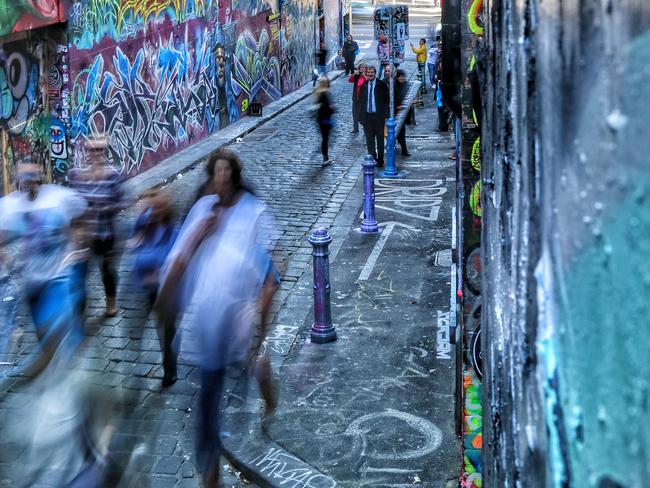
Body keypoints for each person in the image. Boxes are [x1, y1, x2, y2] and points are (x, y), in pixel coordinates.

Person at [155, 149, 279, 487]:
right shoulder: (200, 211)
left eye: (227, 173)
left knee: (249, 372)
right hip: (208, 327)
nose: (220, 180)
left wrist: (259, 324)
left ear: (235, 177)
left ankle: (266, 388)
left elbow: (269, 275)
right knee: (208, 396)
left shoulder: (251, 214)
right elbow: (178, 261)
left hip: (240, 324)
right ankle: (210, 472)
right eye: (216, 173)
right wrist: (200, 235)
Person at [0, 162, 88, 376]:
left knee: (56, 332)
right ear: (17, 181)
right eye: (23, 178)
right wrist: (7, 258)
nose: (28, 182)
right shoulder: (11, 205)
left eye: (32, 177)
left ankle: (62, 371)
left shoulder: (59, 198)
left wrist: (76, 245)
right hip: (32, 282)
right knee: (43, 333)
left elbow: (81, 217)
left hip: (58, 278)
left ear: (40, 177)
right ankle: (54, 363)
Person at [69, 135, 124, 317]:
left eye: (100, 149)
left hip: (105, 234)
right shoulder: (77, 176)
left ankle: (111, 303)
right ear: (86, 152)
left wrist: (104, 207)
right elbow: (72, 204)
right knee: (79, 276)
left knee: (107, 272)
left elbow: (121, 203)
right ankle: (80, 312)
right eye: (92, 149)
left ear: (105, 152)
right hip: (84, 237)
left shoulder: (113, 176)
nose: (96, 153)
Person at [358, 65, 389, 167]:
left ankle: (380, 160)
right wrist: (361, 118)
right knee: (369, 140)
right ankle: (372, 158)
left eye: (372, 72)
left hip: (378, 117)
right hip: (367, 117)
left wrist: (385, 114)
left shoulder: (382, 85)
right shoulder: (364, 86)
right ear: (366, 74)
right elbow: (361, 102)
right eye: (368, 72)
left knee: (380, 139)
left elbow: (386, 100)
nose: (370, 74)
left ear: (375, 73)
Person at [313, 76, 335, 166]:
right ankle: (325, 159)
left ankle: (324, 156)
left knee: (324, 139)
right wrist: (332, 109)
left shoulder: (318, 93)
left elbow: (318, 106)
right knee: (325, 139)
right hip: (325, 120)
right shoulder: (325, 94)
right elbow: (327, 108)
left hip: (320, 120)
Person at [394, 69, 411, 157]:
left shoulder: (406, 84)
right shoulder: (394, 86)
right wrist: (397, 106)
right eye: (400, 78)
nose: (402, 79)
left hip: (403, 113)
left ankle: (404, 149)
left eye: (403, 78)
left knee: (401, 131)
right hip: (395, 112)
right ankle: (400, 147)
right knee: (396, 131)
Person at [348, 63, 366, 134]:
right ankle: (355, 128)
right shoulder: (357, 76)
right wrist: (354, 74)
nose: (362, 69)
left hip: (363, 99)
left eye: (364, 67)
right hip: (355, 98)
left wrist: (364, 75)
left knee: (361, 115)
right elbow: (350, 80)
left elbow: (368, 81)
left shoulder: (367, 75)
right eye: (361, 67)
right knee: (354, 114)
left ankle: (365, 128)